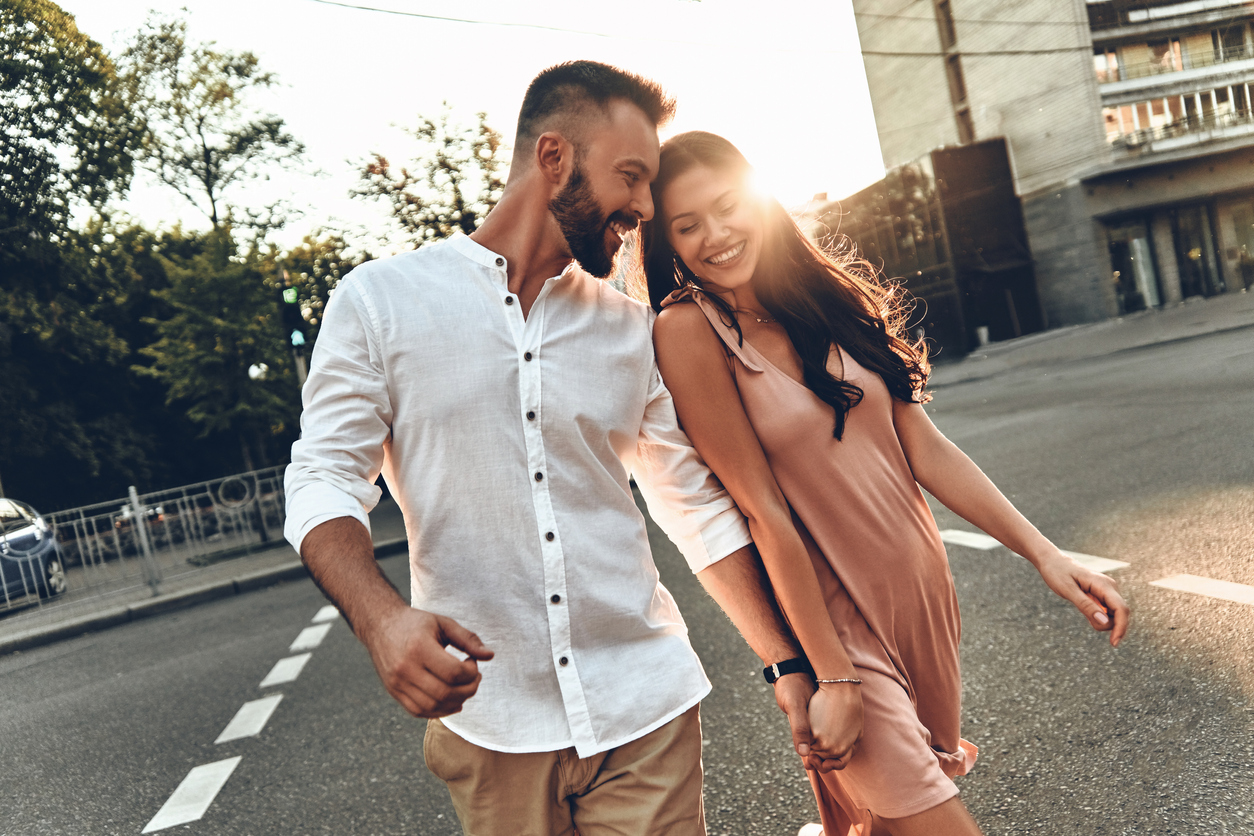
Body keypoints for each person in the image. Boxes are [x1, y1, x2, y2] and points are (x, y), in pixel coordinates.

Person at [284, 63, 832, 836]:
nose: (645, 207)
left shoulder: (629, 329)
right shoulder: (380, 304)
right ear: (554, 160)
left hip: (645, 706)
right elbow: (324, 480)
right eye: (631, 178)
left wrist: (787, 662)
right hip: (493, 726)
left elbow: (694, 507)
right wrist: (381, 621)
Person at [636, 131, 1131, 836]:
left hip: (921, 602)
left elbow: (925, 449)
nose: (715, 234)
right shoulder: (687, 331)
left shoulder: (823, 302)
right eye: (688, 226)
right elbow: (762, 511)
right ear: (670, 245)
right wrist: (828, 674)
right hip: (836, 623)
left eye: (726, 207)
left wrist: (1047, 555)